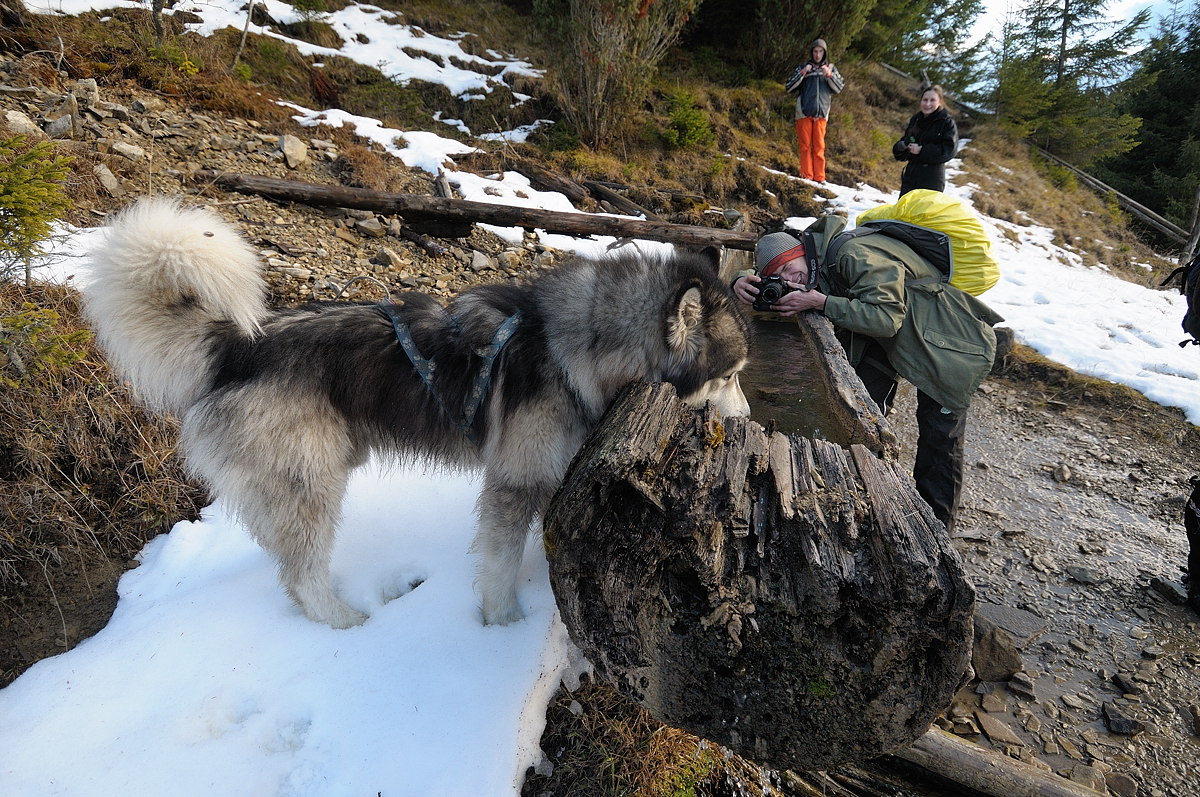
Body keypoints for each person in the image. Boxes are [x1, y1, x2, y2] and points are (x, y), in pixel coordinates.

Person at [732, 221, 1004, 534]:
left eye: (791, 271)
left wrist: (820, 302)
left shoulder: (852, 253)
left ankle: (938, 532)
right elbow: (759, 275)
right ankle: (872, 494)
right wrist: (741, 281)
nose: (792, 282)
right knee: (864, 415)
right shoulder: (817, 257)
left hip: (951, 345)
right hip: (902, 343)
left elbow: (886, 318)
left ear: (803, 253)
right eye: (778, 279)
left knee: (940, 439)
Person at [785, 39, 844, 183]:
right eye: (815, 51)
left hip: (822, 113)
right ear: (811, 53)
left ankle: (820, 178)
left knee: (819, 147)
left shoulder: (831, 68)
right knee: (805, 146)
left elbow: (839, 88)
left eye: (820, 51)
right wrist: (804, 72)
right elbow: (789, 87)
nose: (817, 55)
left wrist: (829, 75)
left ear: (824, 53)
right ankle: (806, 176)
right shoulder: (803, 68)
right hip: (803, 112)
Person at [892, 85, 958, 195]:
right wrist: (901, 146)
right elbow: (905, 142)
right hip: (910, 178)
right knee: (905, 212)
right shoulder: (916, 119)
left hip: (932, 181)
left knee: (924, 212)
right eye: (925, 100)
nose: (927, 104)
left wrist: (922, 150)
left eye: (932, 100)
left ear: (940, 101)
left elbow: (949, 151)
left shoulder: (946, 122)